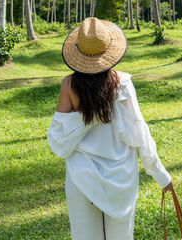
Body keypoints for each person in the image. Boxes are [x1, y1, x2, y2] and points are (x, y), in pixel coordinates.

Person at [47, 17, 173, 240]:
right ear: (108, 49)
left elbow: (59, 140)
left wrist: (86, 118)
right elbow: (139, 133)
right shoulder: (122, 84)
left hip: (81, 177)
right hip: (120, 179)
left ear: (79, 51)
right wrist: (161, 175)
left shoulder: (69, 85)